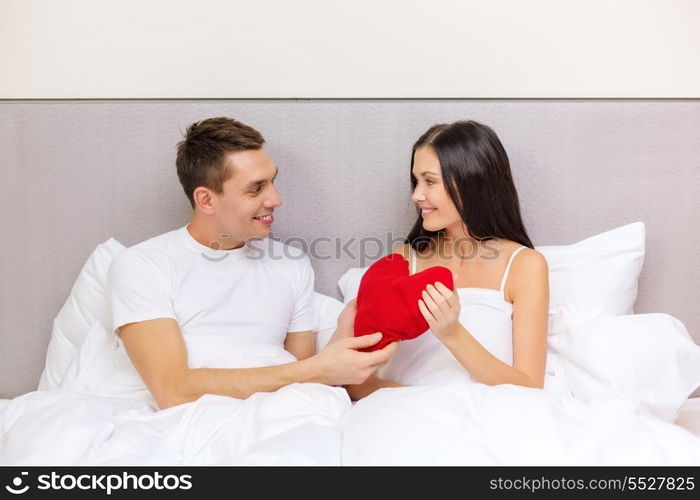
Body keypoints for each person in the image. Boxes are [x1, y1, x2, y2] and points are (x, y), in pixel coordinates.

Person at [108, 116, 397, 410]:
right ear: (206, 200)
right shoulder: (143, 266)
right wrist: (319, 368)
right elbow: (172, 391)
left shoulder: (290, 263)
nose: (276, 199)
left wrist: (336, 347)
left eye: (273, 181)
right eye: (255, 189)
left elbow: (300, 385)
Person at [345, 120, 549, 400]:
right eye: (416, 181)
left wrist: (452, 334)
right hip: (405, 413)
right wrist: (427, 402)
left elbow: (528, 387)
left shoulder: (525, 266)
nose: (416, 195)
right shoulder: (401, 263)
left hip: (489, 416)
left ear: (471, 182)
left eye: (429, 181)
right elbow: (357, 383)